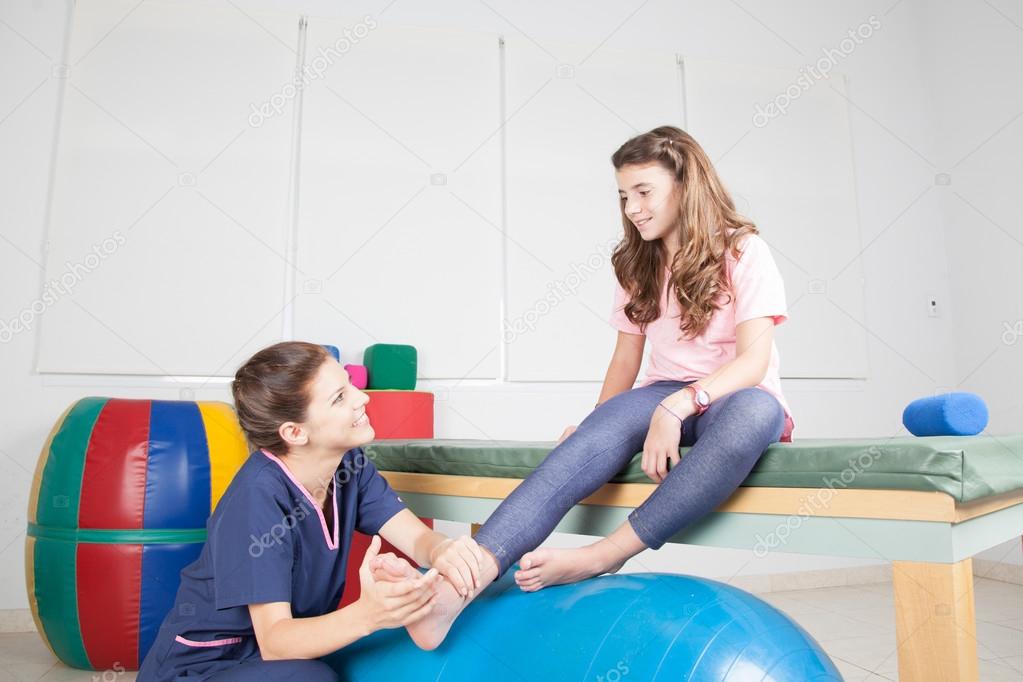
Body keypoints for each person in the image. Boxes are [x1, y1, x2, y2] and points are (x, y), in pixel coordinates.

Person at [372, 125, 795, 651]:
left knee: (755, 413)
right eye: (624, 196)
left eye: (644, 192)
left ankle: (603, 555)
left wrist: (680, 404)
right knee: (593, 434)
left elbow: (754, 360)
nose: (633, 208)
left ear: (685, 186)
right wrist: (600, 427)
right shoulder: (636, 261)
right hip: (660, 392)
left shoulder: (743, 250)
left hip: (730, 396)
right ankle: (457, 589)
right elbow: (626, 357)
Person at [137, 341, 485, 681]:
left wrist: (443, 550)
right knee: (313, 676)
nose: (362, 399)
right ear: (294, 432)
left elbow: (417, 537)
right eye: (339, 397)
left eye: (350, 385)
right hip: (207, 667)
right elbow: (275, 641)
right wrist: (369, 615)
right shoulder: (257, 498)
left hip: (274, 659)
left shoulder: (350, 465)